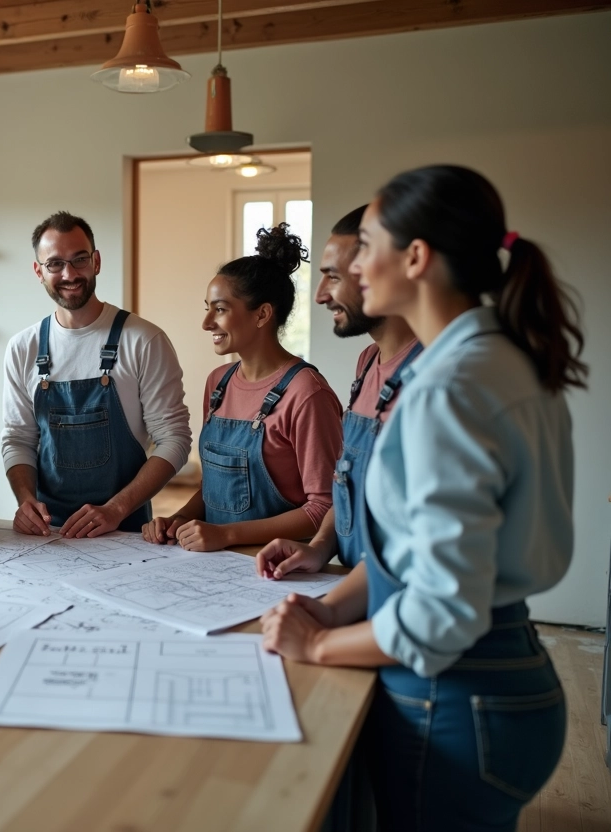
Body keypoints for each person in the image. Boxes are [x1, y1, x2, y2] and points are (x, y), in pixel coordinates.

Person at [261, 165, 584, 832]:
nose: (354, 265)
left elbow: (440, 615)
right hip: (501, 678)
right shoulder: (499, 356)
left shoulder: (446, 390)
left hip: (454, 699)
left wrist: (319, 647)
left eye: (367, 244)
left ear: (416, 258)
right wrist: (327, 609)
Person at [143, 223, 343, 552]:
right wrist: (178, 519)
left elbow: (324, 508)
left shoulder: (307, 393)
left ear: (262, 314)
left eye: (220, 309)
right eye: (207, 309)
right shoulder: (218, 382)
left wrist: (228, 535)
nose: (207, 323)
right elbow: (216, 485)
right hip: (213, 563)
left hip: (275, 569)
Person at [2, 211, 191, 538]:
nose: (69, 273)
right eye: (55, 264)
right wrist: (26, 501)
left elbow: (175, 439)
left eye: (80, 260)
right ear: (38, 271)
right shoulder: (23, 348)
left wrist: (116, 509)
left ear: (97, 261)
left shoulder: (144, 340)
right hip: (47, 535)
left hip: (127, 530)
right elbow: (18, 439)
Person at [256, 206, 420, 575]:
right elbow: (345, 483)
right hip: (354, 583)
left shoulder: (433, 376)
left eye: (333, 277)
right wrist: (317, 549)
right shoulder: (366, 362)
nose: (319, 296)